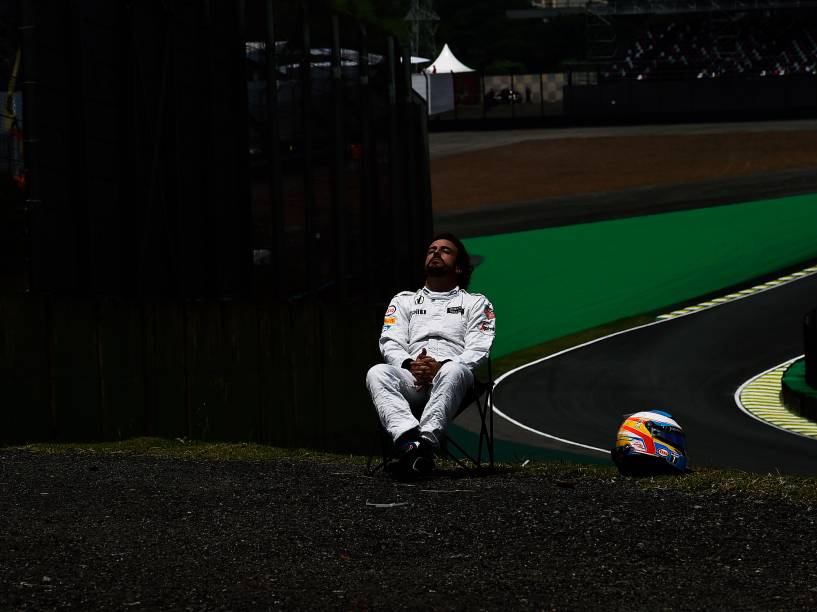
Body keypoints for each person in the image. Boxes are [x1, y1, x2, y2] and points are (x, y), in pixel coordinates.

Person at [365, 233, 496, 479]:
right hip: (412, 377)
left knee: (455, 370)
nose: (435, 252)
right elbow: (390, 342)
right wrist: (411, 365)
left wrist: (440, 366)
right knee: (377, 372)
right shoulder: (403, 301)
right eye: (431, 249)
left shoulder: (477, 303)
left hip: (453, 378)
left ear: (459, 267)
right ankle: (411, 445)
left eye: (445, 250)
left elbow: (479, 348)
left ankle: (423, 446)